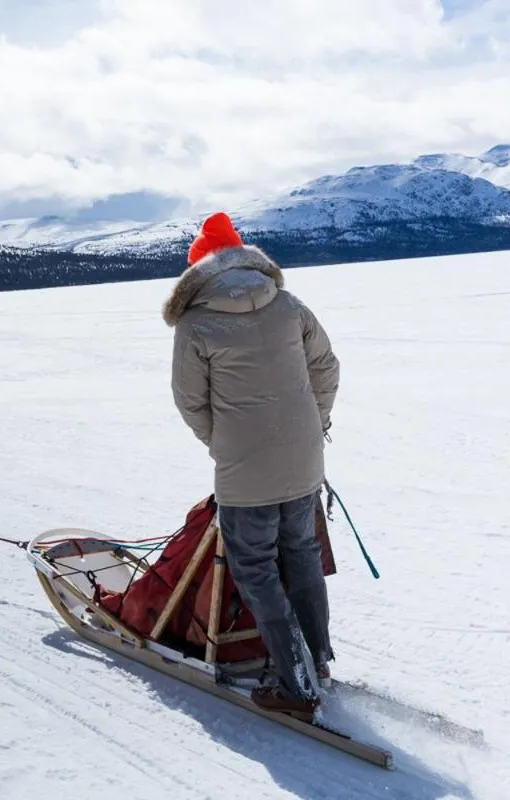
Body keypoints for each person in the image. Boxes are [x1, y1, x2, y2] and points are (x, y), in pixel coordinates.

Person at [162, 211, 340, 719]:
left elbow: (189, 401)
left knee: (257, 569)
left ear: (199, 269)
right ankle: (317, 660)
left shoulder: (196, 324)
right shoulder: (287, 305)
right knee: (302, 555)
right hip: (304, 458)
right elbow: (326, 368)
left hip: (246, 471)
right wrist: (314, 422)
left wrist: (223, 443)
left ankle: (296, 684)